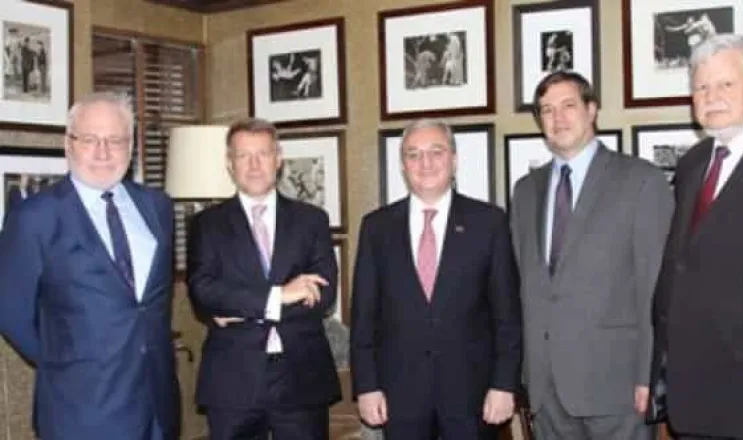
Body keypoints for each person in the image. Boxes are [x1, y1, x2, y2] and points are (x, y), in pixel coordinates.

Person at [0, 92, 180, 440]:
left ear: (131, 146)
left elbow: (150, 305)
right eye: (89, 140)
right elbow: (10, 312)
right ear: (68, 144)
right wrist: (66, 363)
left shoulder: (157, 206)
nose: (103, 152)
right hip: (80, 411)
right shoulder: (35, 216)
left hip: (157, 405)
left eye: (115, 140)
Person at [509, 70, 673, 440]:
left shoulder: (641, 181)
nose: (558, 118)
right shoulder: (525, 192)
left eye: (568, 105)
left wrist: (649, 375)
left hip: (617, 388)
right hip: (546, 391)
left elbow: (655, 290)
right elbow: (526, 287)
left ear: (592, 109)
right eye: (547, 110)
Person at [350, 118, 523, 440]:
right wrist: (366, 386)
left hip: (472, 394)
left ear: (454, 160)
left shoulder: (489, 223)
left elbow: (507, 316)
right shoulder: (376, 227)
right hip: (399, 395)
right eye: (413, 154)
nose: (425, 163)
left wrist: (504, 384)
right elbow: (363, 317)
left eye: (436, 152)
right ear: (403, 165)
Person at [650, 34, 743, 439]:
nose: (711, 97)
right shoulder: (693, 163)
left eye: (725, 84)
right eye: (701, 87)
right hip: (693, 395)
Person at [186, 118, 341, 440]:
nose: (254, 165)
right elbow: (203, 292)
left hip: (301, 378)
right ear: (230, 164)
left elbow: (323, 294)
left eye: (263, 154)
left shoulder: (311, 220)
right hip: (232, 381)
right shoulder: (206, 224)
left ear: (278, 159)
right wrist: (279, 296)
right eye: (244, 156)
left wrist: (238, 306)